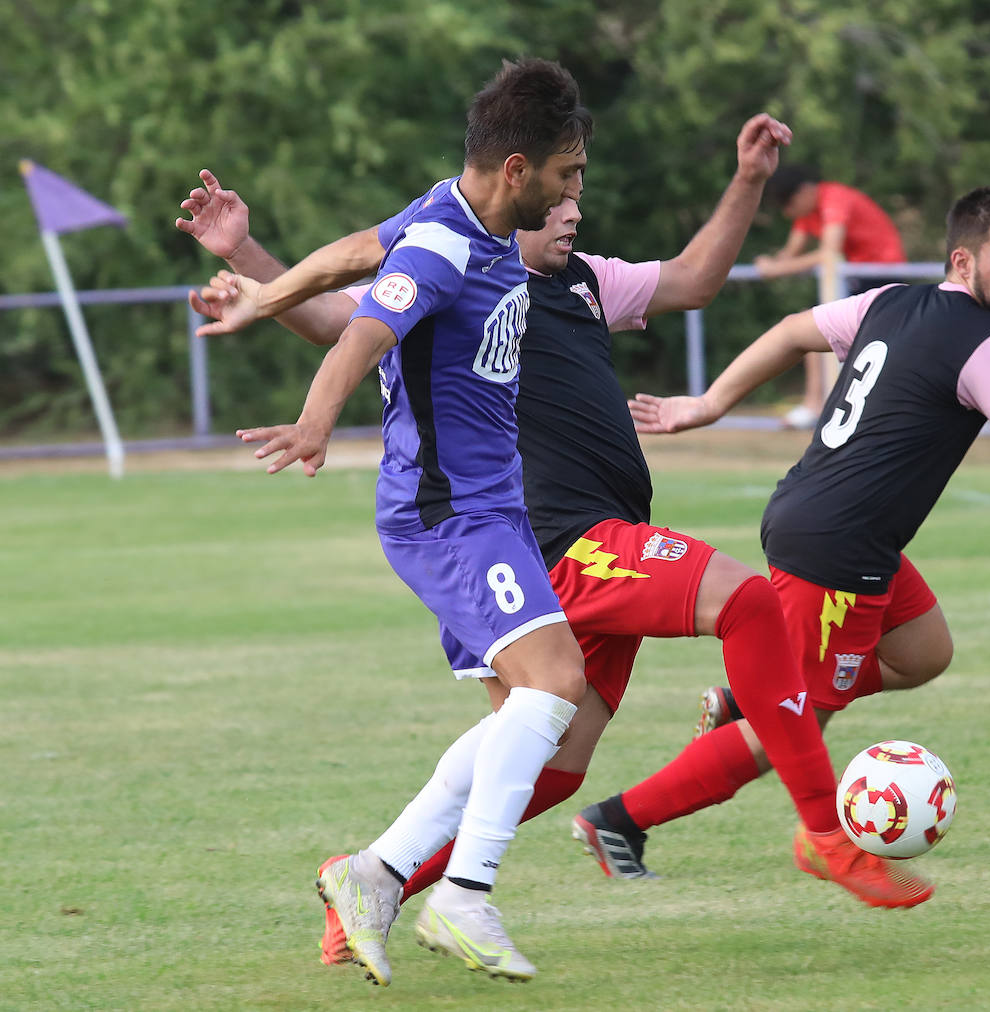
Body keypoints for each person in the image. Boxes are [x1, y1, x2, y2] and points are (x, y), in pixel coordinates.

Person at [182, 113, 932, 982]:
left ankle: (373, 881)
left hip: (598, 538)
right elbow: (347, 317)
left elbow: (691, 280)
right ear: (512, 190)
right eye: (559, 191)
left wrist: (750, 181)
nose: (573, 208)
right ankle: (824, 834)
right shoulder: (456, 267)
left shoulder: (581, 283)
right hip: (560, 543)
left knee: (554, 763)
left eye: (579, 190)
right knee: (749, 601)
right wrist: (251, 264)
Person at [587, 186, 990, 877]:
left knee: (923, 650)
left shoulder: (891, 302)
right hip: (836, 550)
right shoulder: (989, 343)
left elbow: (792, 331)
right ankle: (620, 821)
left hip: (829, 527)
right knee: (791, 728)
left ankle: (751, 695)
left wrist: (709, 403)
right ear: (964, 260)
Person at [190, 59, 592, 986]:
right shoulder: (447, 244)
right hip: (450, 513)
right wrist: (317, 422)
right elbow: (364, 332)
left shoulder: (454, 215)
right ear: (520, 168)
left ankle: (373, 874)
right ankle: (464, 896)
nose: (578, 194)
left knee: (518, 718)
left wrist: (258, 282)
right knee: (557, 682)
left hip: (485, 509)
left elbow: (344, 260)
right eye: (568, 175)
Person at [753, 164, 905, 428]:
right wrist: (770, 263)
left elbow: (829, 254)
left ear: (803, 193)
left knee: (818, 328)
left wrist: (775, 269)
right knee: (814, 328)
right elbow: (789, 255)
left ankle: (817, 406)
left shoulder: (834, 198)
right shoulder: (807, 212)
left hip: (880, 275)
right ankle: (818, 405)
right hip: (854, 276)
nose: (786, 213)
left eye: (787, 205)